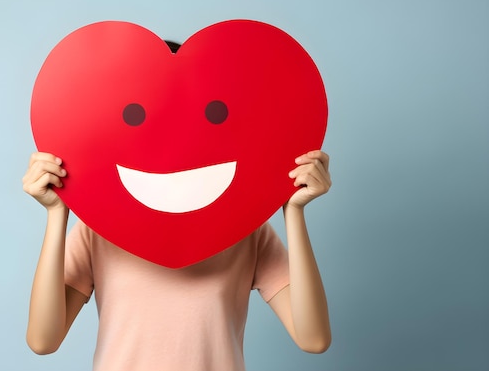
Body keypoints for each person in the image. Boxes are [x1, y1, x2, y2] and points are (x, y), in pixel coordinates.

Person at [22, 144, 332, 370]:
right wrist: (57, 212)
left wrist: (293, 210)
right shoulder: (98, 230)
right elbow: (43, 340)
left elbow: (313, 338)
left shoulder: (247, 231)